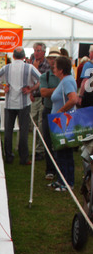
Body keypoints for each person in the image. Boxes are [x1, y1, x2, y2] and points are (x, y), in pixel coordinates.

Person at [0, 47, 41, 165]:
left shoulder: (7, 68)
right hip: (24, 102)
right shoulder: (29, 67)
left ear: (13, 56)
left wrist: (3, 87)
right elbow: (41, 79)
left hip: (9, 102)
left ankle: (8, 156)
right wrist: (31, 89)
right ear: (24, 57)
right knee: (23, 131)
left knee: (8, 131)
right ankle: (23, 158)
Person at [50, 55, 79, 192]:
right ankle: (62, 179)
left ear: (61, 69)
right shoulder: (65, 80)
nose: (53, 68)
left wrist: (60, 111)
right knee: (61, 152)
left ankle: (67, 182)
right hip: (60, 121)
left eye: (55, 66)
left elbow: (73, 99)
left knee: (64, 152)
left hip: (63, 121)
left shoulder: (67, 81)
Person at [39, 48, 61, 180]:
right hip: (48, 110)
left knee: (61, 142)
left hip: (61, 111)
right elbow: (43, 93)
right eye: (51, 58)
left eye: (55, 58)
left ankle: (60, 168)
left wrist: (51, 91)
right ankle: (50, 169)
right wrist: (60, 89)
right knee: (48, 141)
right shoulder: (45, 76)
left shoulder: (65, 75)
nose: (53, 61)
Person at [30, 42, 50, 161]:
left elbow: (41, 80)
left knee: (41, 123)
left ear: (43, 52)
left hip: (42, 97)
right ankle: (36, 148)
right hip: (33, 96)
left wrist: (35, 69)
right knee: (33, 123)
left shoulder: (46, 65)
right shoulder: (31, 62)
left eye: (38, 51)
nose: (36, 53)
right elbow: (29, 79)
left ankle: (40, 150)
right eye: (35, 50)